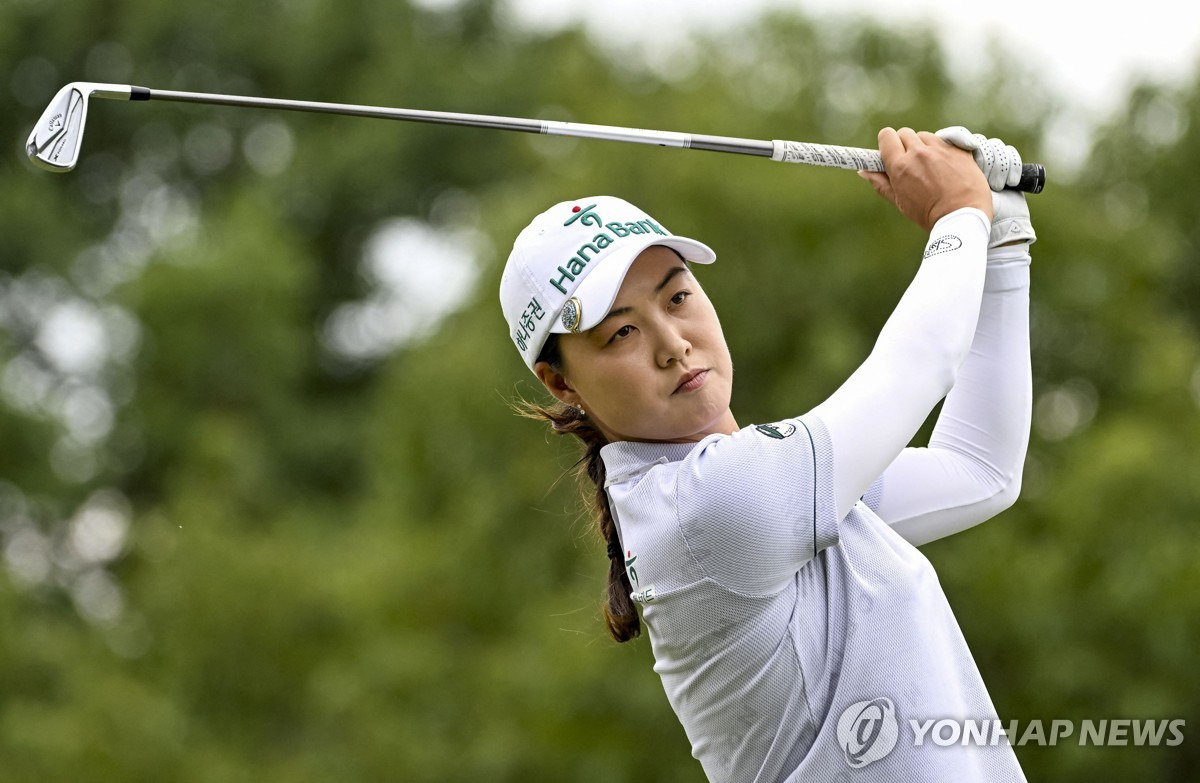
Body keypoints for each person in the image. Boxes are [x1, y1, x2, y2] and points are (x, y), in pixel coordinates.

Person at [499, 126, 1035, 782]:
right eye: (622, 332)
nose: (673, 344)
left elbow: (979, 470)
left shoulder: (771, 491)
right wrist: (959, 215)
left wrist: (1000, 241)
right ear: (561, 383)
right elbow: (921, 363)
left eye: (677, 297)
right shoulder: (709, 507)